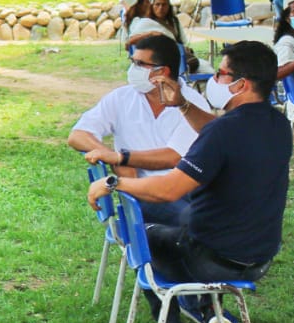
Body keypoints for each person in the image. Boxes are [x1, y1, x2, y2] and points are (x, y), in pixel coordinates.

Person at [88, 42, 291, 323]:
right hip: (260, 258)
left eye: (222, 73)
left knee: (142, 234)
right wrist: (182, 105)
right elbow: (218, 132)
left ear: (241, 84)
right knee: (174, 226)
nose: (215, 78)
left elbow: (169, 189)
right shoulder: (278, 124)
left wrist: (114, 182)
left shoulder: (225, 132)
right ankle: (210, 310)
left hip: (213, 259)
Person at [69, 34, 212, 227]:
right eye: (132, 62)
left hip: (183, 187)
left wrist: (122, 158)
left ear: (162, 72)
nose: (132, 69)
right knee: (197, 222)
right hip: (142, 191)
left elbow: (173, 157)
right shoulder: (122, 98)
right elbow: (78, 134)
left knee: (218, 216)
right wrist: (110, 155)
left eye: (139, 64)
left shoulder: (193, 105)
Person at [149, 0, 199, 72]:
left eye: (164, 5)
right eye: (157, 4)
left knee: (193, 62)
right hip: (157, 58)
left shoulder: (174, 21)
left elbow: (182, 41)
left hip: (177, 54)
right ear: (152, 6)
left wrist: (184, 48)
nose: (160, 8)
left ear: (168, 6)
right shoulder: (147, 22)